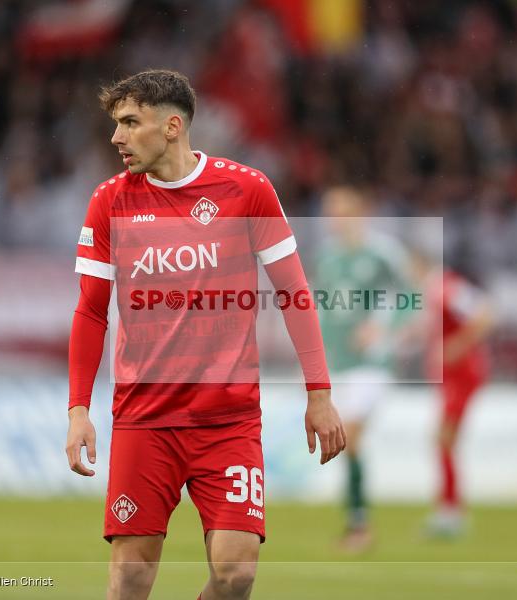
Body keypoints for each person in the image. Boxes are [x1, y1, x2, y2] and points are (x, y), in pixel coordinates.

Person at [65, 70, 346, 600]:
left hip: (228, 419)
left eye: (130, 123)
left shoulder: (247, 189)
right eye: (115, 124)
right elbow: (90, 312)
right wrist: (79, 409)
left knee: (236, 574)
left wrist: (320, 392)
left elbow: (294, 292)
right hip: (145, 418)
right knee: (131, 578)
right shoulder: (109, 202)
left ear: (172, 127)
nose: (116, 137)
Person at [315, 185, 410, 552]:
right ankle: (356, 520)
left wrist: (383, 328)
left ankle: (359, 526)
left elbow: (410, 295)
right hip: (338, 365)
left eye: (339, 211)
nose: (333, 219)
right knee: (346, 442)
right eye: (329, 212)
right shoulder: (327, 257)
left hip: (371, 365)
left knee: (350, 435)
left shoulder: (382, 253)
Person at [418, 255, 493, 538]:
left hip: (463, 374)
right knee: (444, 440)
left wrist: (456, 346)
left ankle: (451, 512)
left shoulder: (445, 287)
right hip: (455, 376)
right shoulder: (437, 290)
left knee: (443, 439)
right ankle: (450, 509)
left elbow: (485, 314)